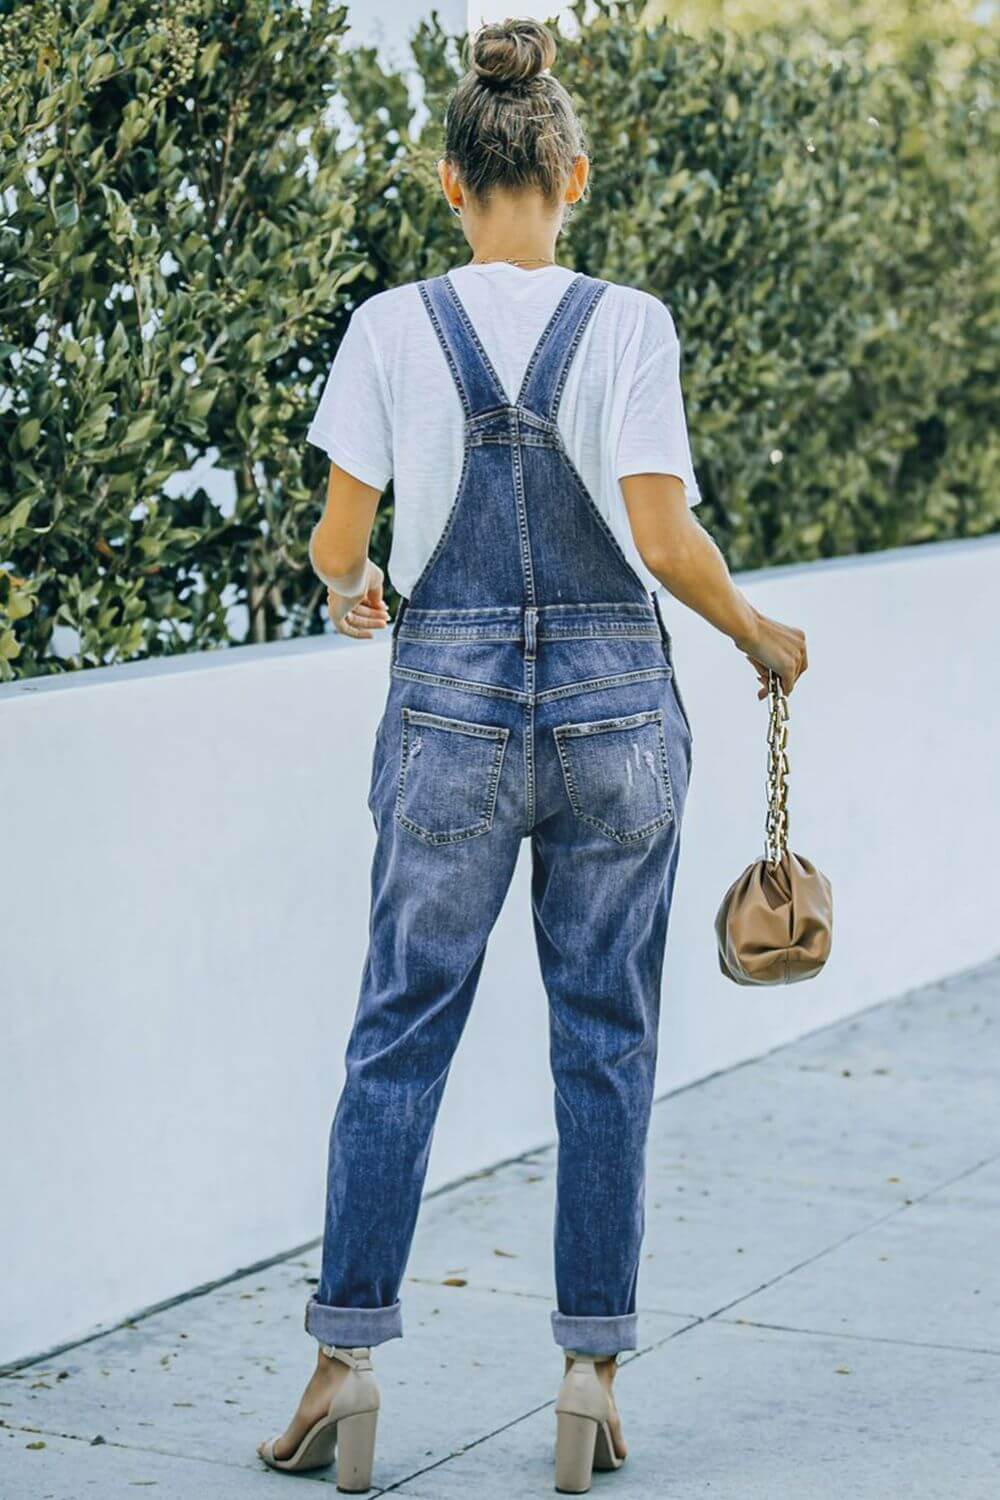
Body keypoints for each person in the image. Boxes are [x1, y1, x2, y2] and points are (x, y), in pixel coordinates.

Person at [257, 17, 807, 1494]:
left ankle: (344, 1366)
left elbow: (339, 538)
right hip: (620, 719)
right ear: (574, 173)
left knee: (398, 1037)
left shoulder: (389, 328)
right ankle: (588, 1385)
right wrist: (755, 634)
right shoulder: (626, 323)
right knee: (605, 1047)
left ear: (453, 182)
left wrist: (342, 588)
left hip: (445, 715)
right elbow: (660, 535)